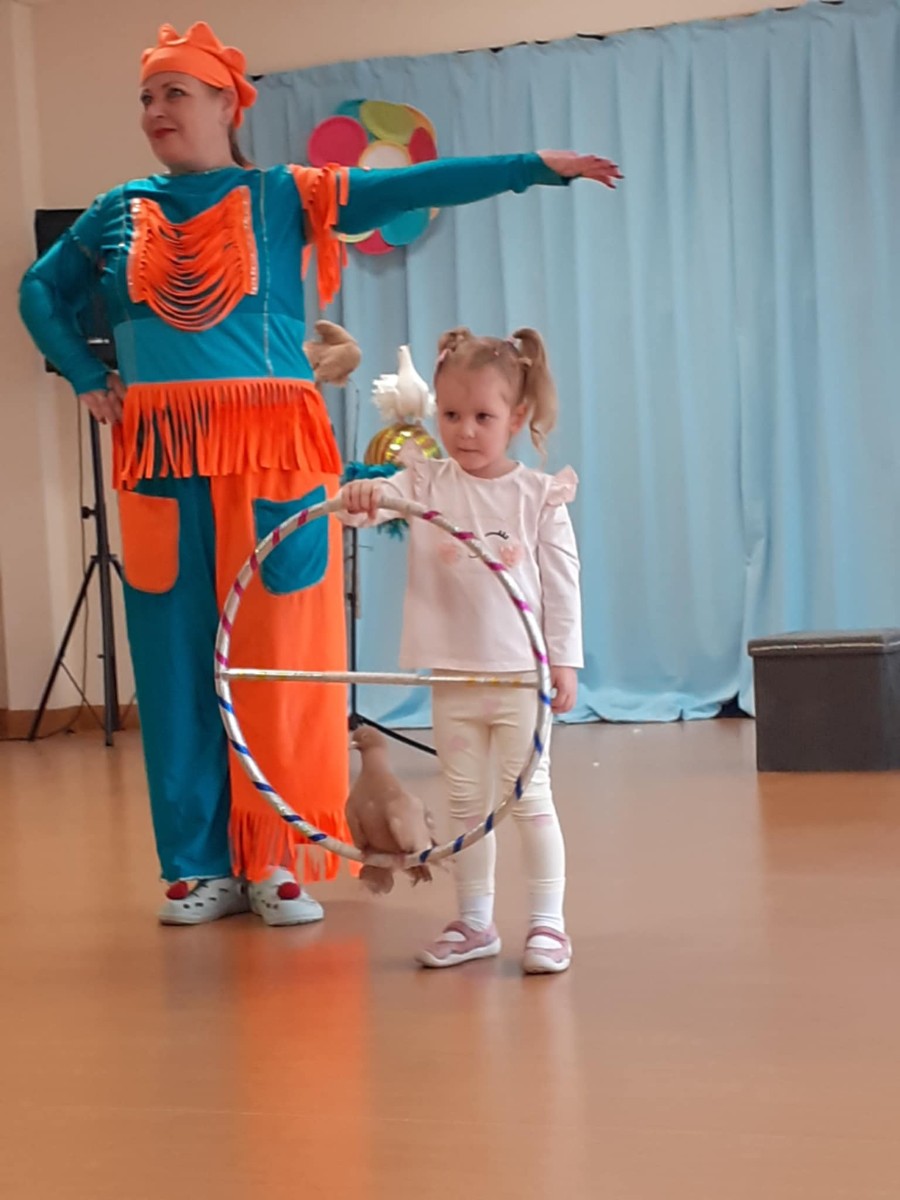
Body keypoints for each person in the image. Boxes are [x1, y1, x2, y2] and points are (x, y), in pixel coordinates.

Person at [18, 20, 617, 928]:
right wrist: (85, 373)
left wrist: (534, 166)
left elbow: (410, 184)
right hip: (163, 454)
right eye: (145, 97)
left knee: (283, 660)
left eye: (174, 92)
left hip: (275, 454)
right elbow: (40, 290)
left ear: (226, 104)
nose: (154, 111)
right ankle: (197, 866)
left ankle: (278, 854)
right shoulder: (116, 210)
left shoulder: (284, 194)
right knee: (174, 663)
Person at [341, 327, 582, 973]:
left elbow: (562, 583)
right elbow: (360, 513)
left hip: (519, 678)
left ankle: (548, 923)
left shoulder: (537, 494)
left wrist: (564, 660)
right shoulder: (424, 483)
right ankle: (475, 922)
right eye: (450, 415)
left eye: (482, 417)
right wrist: (361, 495)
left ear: (516, 417)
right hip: (454, 675)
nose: (464, 431)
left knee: (528, 798)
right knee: (464, 804)